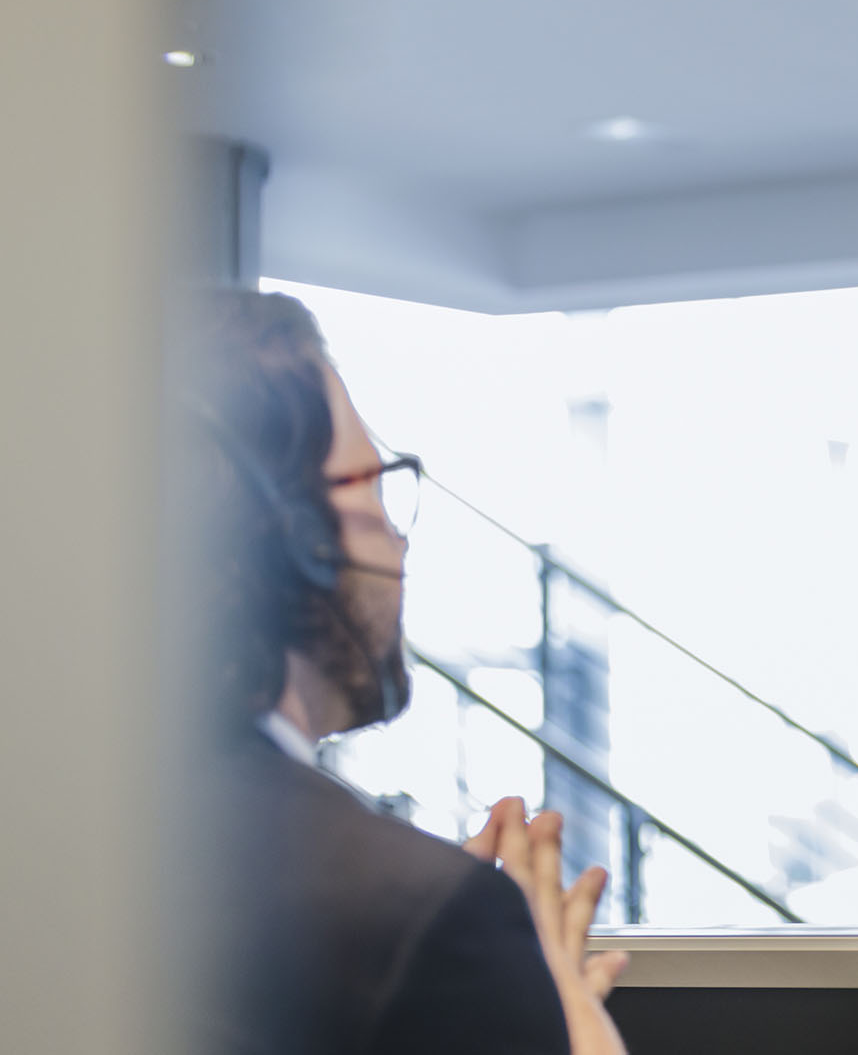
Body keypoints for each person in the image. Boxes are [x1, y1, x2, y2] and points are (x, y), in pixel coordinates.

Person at [192, 289, 631, 1053]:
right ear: (294, 537)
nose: (396, 536)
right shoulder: (416, 920)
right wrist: (555, 1010)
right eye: (371, 481)